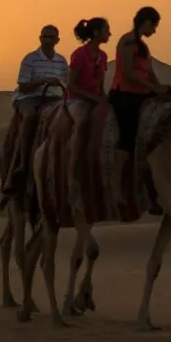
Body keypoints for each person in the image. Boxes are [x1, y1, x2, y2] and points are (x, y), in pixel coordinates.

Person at [108, 6, 171, 204]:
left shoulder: (143, 47)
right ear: (145, 23)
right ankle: (116, 187)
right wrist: (153, 88)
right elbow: (129, 73)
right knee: (128, 138)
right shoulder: (127, 42)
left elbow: (150, 73)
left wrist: (161, 88)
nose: (154, 30)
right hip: (124, 94)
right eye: (153, 26)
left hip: (143, 93)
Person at [3, 25, 68, 193]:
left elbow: (66, 83)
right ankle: (23, 163)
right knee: (31, 116)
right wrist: (44, 81)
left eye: (51, 37)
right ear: (40, 38)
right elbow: (23, 86)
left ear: (57, 40)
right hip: (28, 98)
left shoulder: (61, 61)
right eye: (45, 36)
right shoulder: (30, 59)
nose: (48, 40)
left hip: (53, 98)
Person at [65, 17, 111, 204]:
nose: (109, 34)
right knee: (83, 122)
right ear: (96, 33)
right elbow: (71, 85)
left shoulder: (103, 56)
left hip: (96, 99)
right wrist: (93, 98)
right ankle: (72, 172)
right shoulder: (79, 54)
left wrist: (104, 99)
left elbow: (100, 85)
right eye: (106, 30)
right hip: (76, 100)